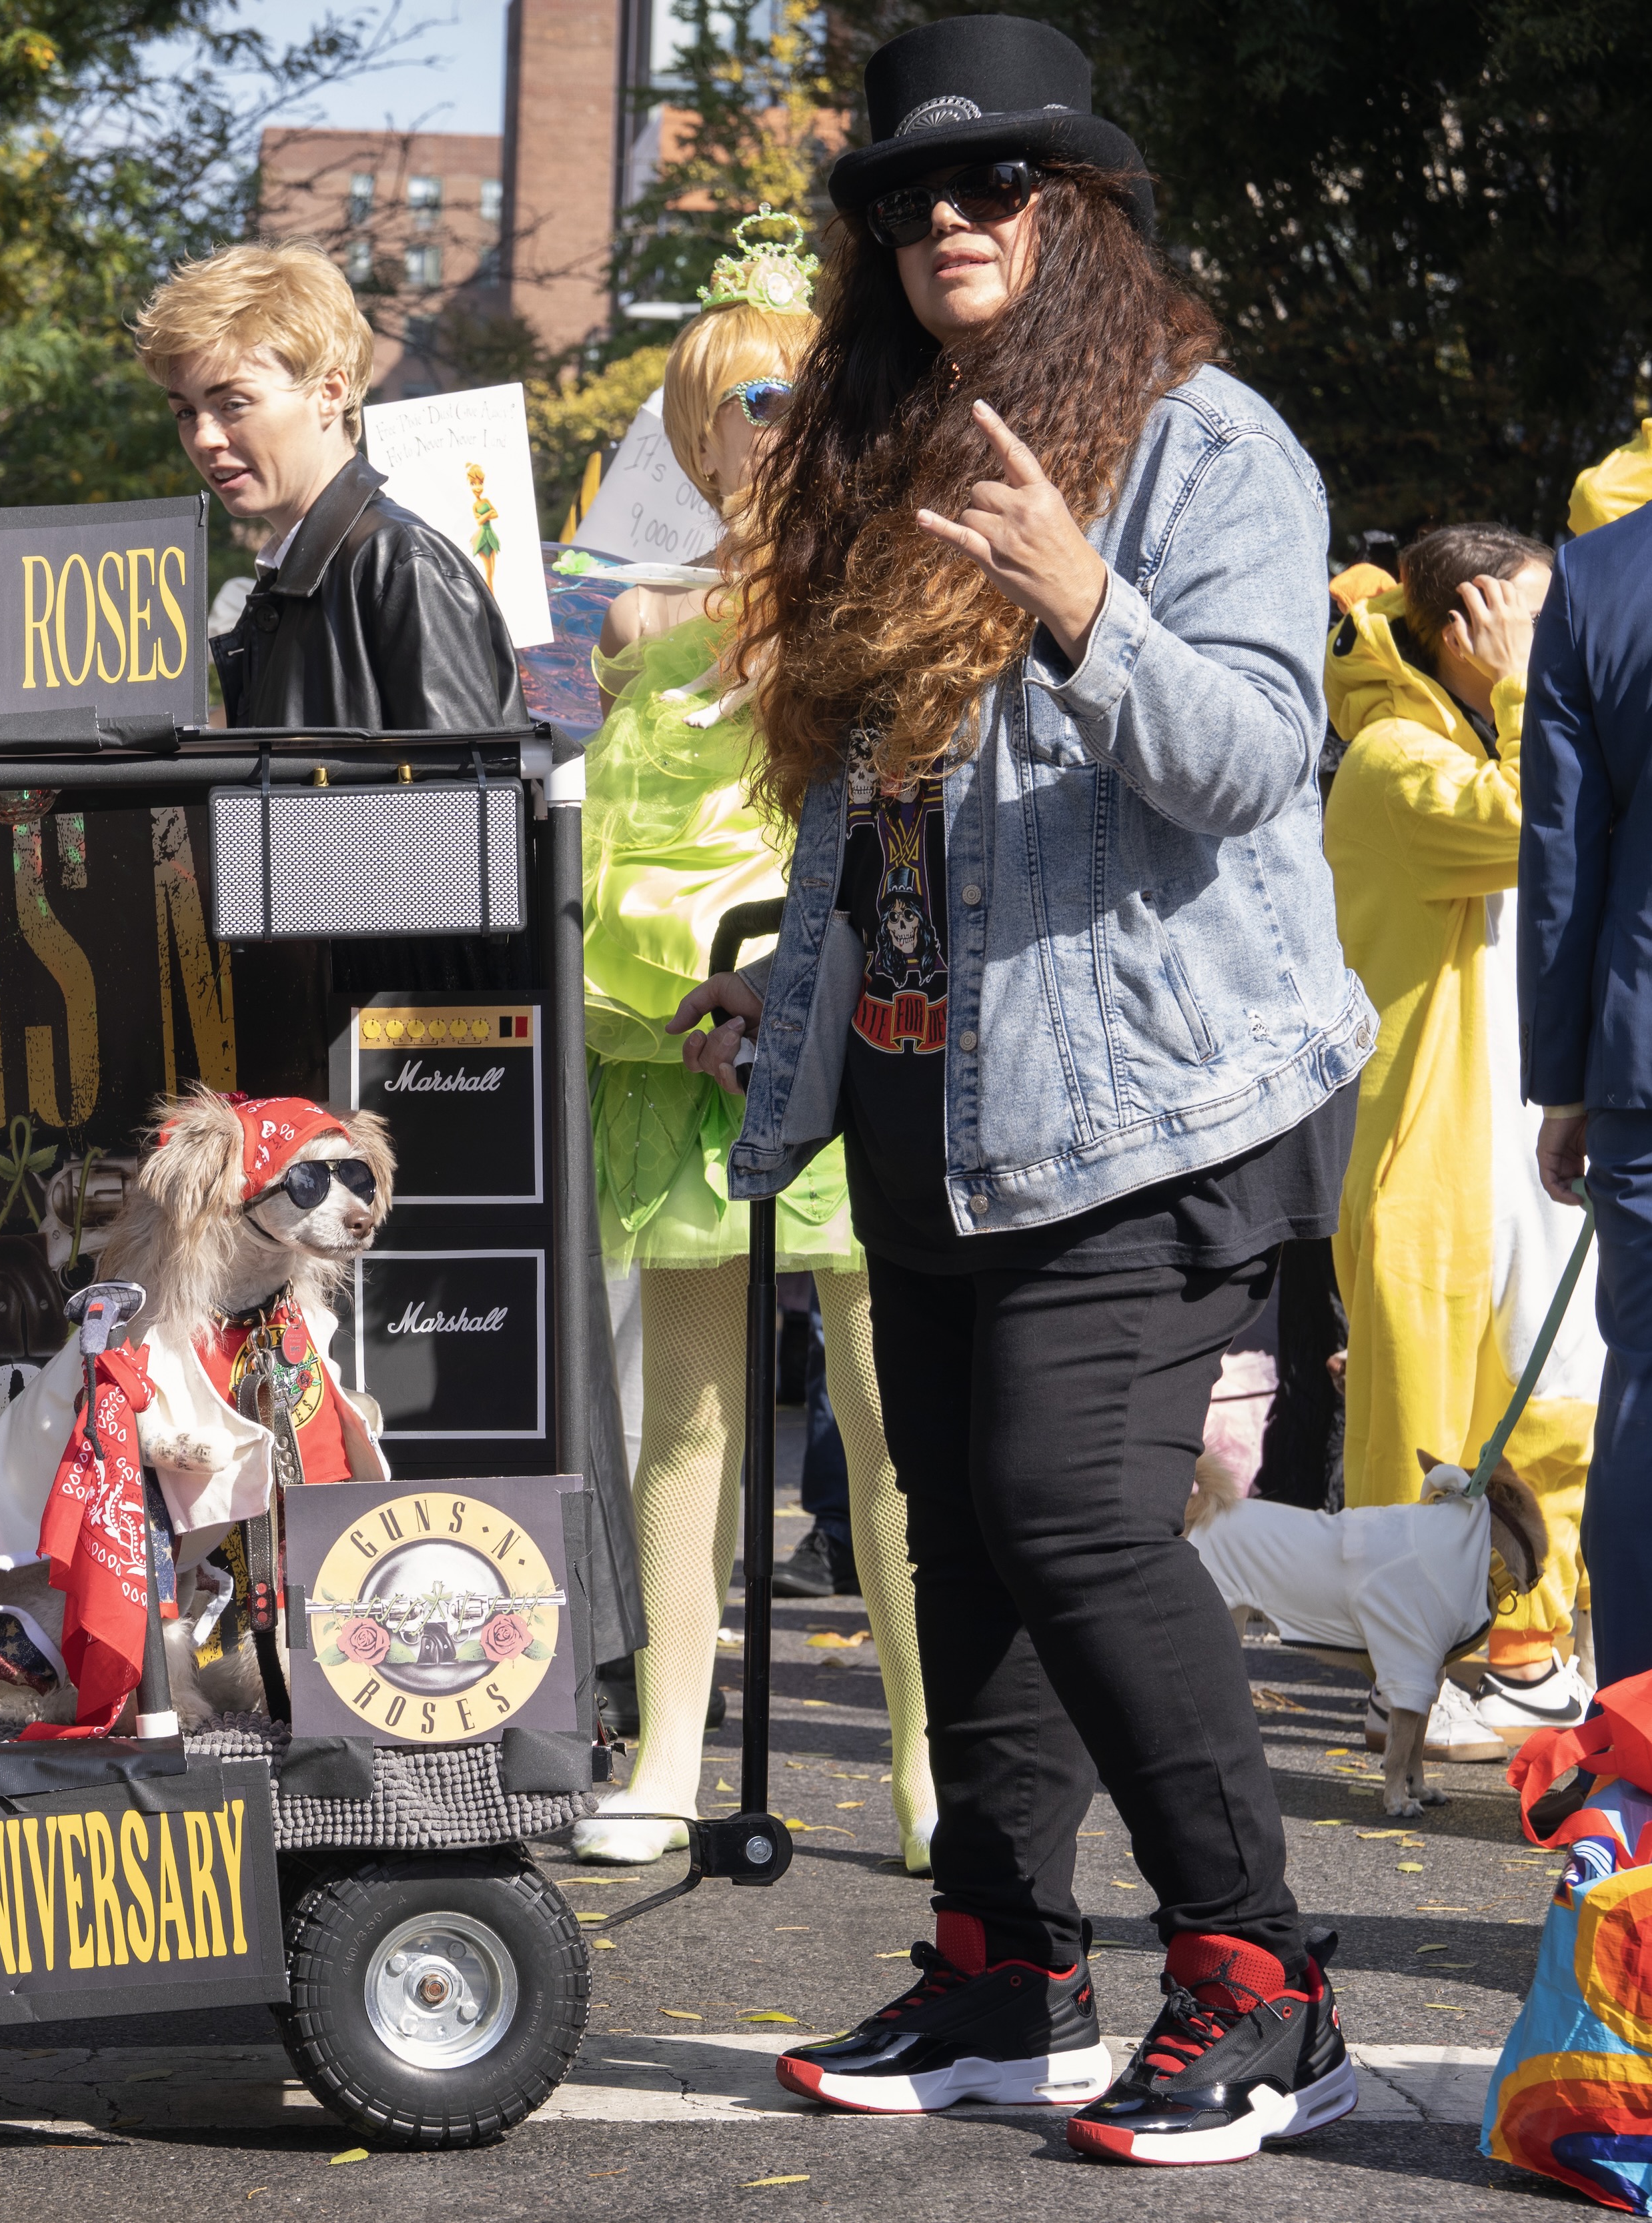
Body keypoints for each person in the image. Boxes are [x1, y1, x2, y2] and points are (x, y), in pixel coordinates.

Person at [670, 15, 1371, 2162]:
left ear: (1077, 221)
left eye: (992, 192)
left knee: (1070, 1510)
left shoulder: (1199, 445)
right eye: (902, 202)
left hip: (1148, 1095)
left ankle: (1260, 1978)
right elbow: (879, 817)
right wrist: (796, 1008)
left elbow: (1250, 763)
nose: (943, 225)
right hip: (924, 1087)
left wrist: (1078, 596)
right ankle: (1003, 1971)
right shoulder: (888, 441)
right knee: (956, 1524)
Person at [569, 211, 934, 1873]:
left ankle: (935, 1759)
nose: (757, 434)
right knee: (689, 1422)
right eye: (729, 404)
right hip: (680, 1051)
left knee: (886, 1416)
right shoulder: (640, 626)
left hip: (854, 1038)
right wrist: (666, 1000)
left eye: (786, 398)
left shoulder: (882, 601)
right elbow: (617, 854)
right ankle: (662, 1748)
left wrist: (807, 983)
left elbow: (895, 831)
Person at [1324, 522, 1596, 1751]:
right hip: (1429, 1166)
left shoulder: (1473, 735)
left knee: (1553, 1408)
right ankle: (1410, 1677)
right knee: (1421, 1440)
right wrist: (1543, 684)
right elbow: (1547, 822)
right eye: (1538, 623)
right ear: (1470, 624)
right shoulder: (1388, 756)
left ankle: (1530, 1656)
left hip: (1516, 1153)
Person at [133, 241, 519, 733]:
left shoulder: (401, 565)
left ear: (330, 393)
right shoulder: (294, 576)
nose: (204, 437)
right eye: (185, 412)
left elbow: (461, 803)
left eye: (233, 403)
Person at [1520, 496, 1652, 1695]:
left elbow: (1563, 844)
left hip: (1642, 1055)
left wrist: (1562, 1081)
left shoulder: (1605, 574)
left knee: (1646, 1392)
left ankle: (1638, 1746)